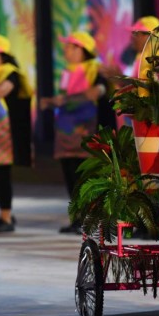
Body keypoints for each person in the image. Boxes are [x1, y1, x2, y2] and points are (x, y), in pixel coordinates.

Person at [40, 31, 107, 234]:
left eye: (69, 46)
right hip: (65, 128)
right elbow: (64, 98)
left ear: (81, 49)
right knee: (69, 173)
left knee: (85, 175)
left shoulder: (95, 69)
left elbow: (99, 91)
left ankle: (90, 219)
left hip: (85, 127)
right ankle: (77, 218)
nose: (66, 50)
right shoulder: (67, 71)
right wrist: (52, 102)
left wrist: (69, 100)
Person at [0, 34, 33, 232]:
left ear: (0, 54)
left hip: (2, 133)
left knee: (0, 173)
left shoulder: (10, 73)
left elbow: (1, 92)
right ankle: (5, 212)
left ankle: (6, 217)